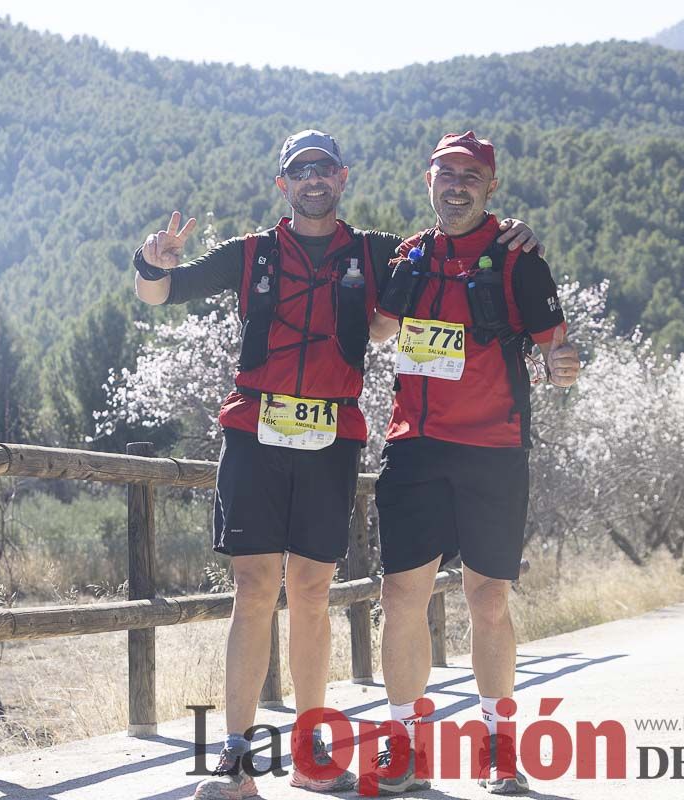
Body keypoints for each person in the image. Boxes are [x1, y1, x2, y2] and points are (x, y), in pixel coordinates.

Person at [132, 129, 541, 800]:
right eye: (300, 169)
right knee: (255, 587)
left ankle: (310, 752)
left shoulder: (379, 252)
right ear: (282, 183)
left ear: (343, 178)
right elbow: (158, 295)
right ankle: (236, 762)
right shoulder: (252, 253)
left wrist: (510, 235)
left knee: (315, 594)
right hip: (255, 430)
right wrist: (152, 262)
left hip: (331, 436)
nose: (313, 179)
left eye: (324, 168)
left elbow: (453, 239)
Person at [369, 131, 580, 796]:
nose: (455, 184)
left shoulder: (517, 259)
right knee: (399, 596)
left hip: (493, 448)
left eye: (470, 174)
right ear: (426, 180)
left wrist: (562, 365)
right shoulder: (409, 256)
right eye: (445, 173)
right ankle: (402, 747)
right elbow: (376, 328)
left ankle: (499, 747)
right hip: (414, 446)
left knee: (487, 601)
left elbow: (559, 350)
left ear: (490, 185)